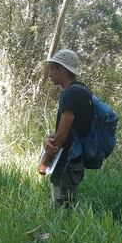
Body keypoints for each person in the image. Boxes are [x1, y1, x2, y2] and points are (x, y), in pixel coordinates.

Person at [39, 49, 93, 208]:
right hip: (74, 162)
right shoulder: (83, 92)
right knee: (64, 212)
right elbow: (67, 130)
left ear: (62, 69)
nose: (50, 74)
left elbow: (62, 136)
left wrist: (43, 162)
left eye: (52, 69)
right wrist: (47, 138)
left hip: (67, 164)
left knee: (63, 214)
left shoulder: (71, 95)